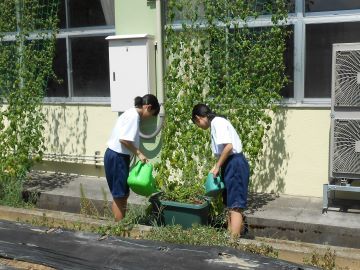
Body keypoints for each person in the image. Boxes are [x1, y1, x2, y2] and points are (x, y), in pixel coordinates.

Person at [191, 103, 250, 237]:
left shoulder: (218, 122)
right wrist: (215, 168)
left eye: (197, 123)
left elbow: (228, 147)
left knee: (235, 205)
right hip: (229, 163)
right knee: (229, 204)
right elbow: (222, 153)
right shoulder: (216, 124)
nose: (199, 127)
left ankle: (233, 242)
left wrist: (217, 167)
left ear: (198, 118)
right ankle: (230, 237)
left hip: (235, 164)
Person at [104, 94, 160, 221]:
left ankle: (119, 225)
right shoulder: (134, 116)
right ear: (148, 107)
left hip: (114, 156)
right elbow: (124, 139)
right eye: (151, 115)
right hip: (117, 158)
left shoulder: (130, 113)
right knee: (120, 195)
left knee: (120, 195)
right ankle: (119, 229)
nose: (149, 118)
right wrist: (139, 153)